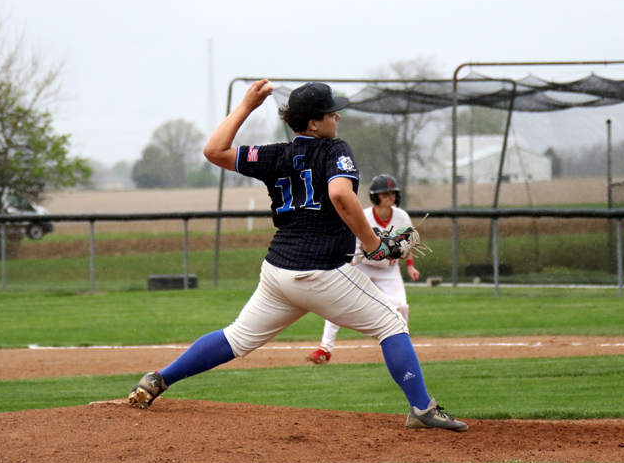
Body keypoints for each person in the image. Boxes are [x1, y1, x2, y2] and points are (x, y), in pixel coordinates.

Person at [127, 80, 467, 432]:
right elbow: (340, 194)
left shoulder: (275, 154)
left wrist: (246, 106)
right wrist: (372, 242)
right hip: (320, 272)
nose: (337, 116)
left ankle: (157, 379)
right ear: (313, 123)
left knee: (237, 338)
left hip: (278, 272)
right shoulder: (334, 149)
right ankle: (422, 409)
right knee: (392, 323)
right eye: (330, 112)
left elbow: (214, 151)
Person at [306, 174, 420, 365]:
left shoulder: (402, 217)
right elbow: (353, 244)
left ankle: (401, 349)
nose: (389, 196)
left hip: (388, 271)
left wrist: (410, 266)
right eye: (384, 193)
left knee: (401, 306)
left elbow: (408, 244)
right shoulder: (365, 216)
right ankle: (325, 349)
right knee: (337, 302)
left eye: (392, 193)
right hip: (362, 267)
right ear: (375, 197)